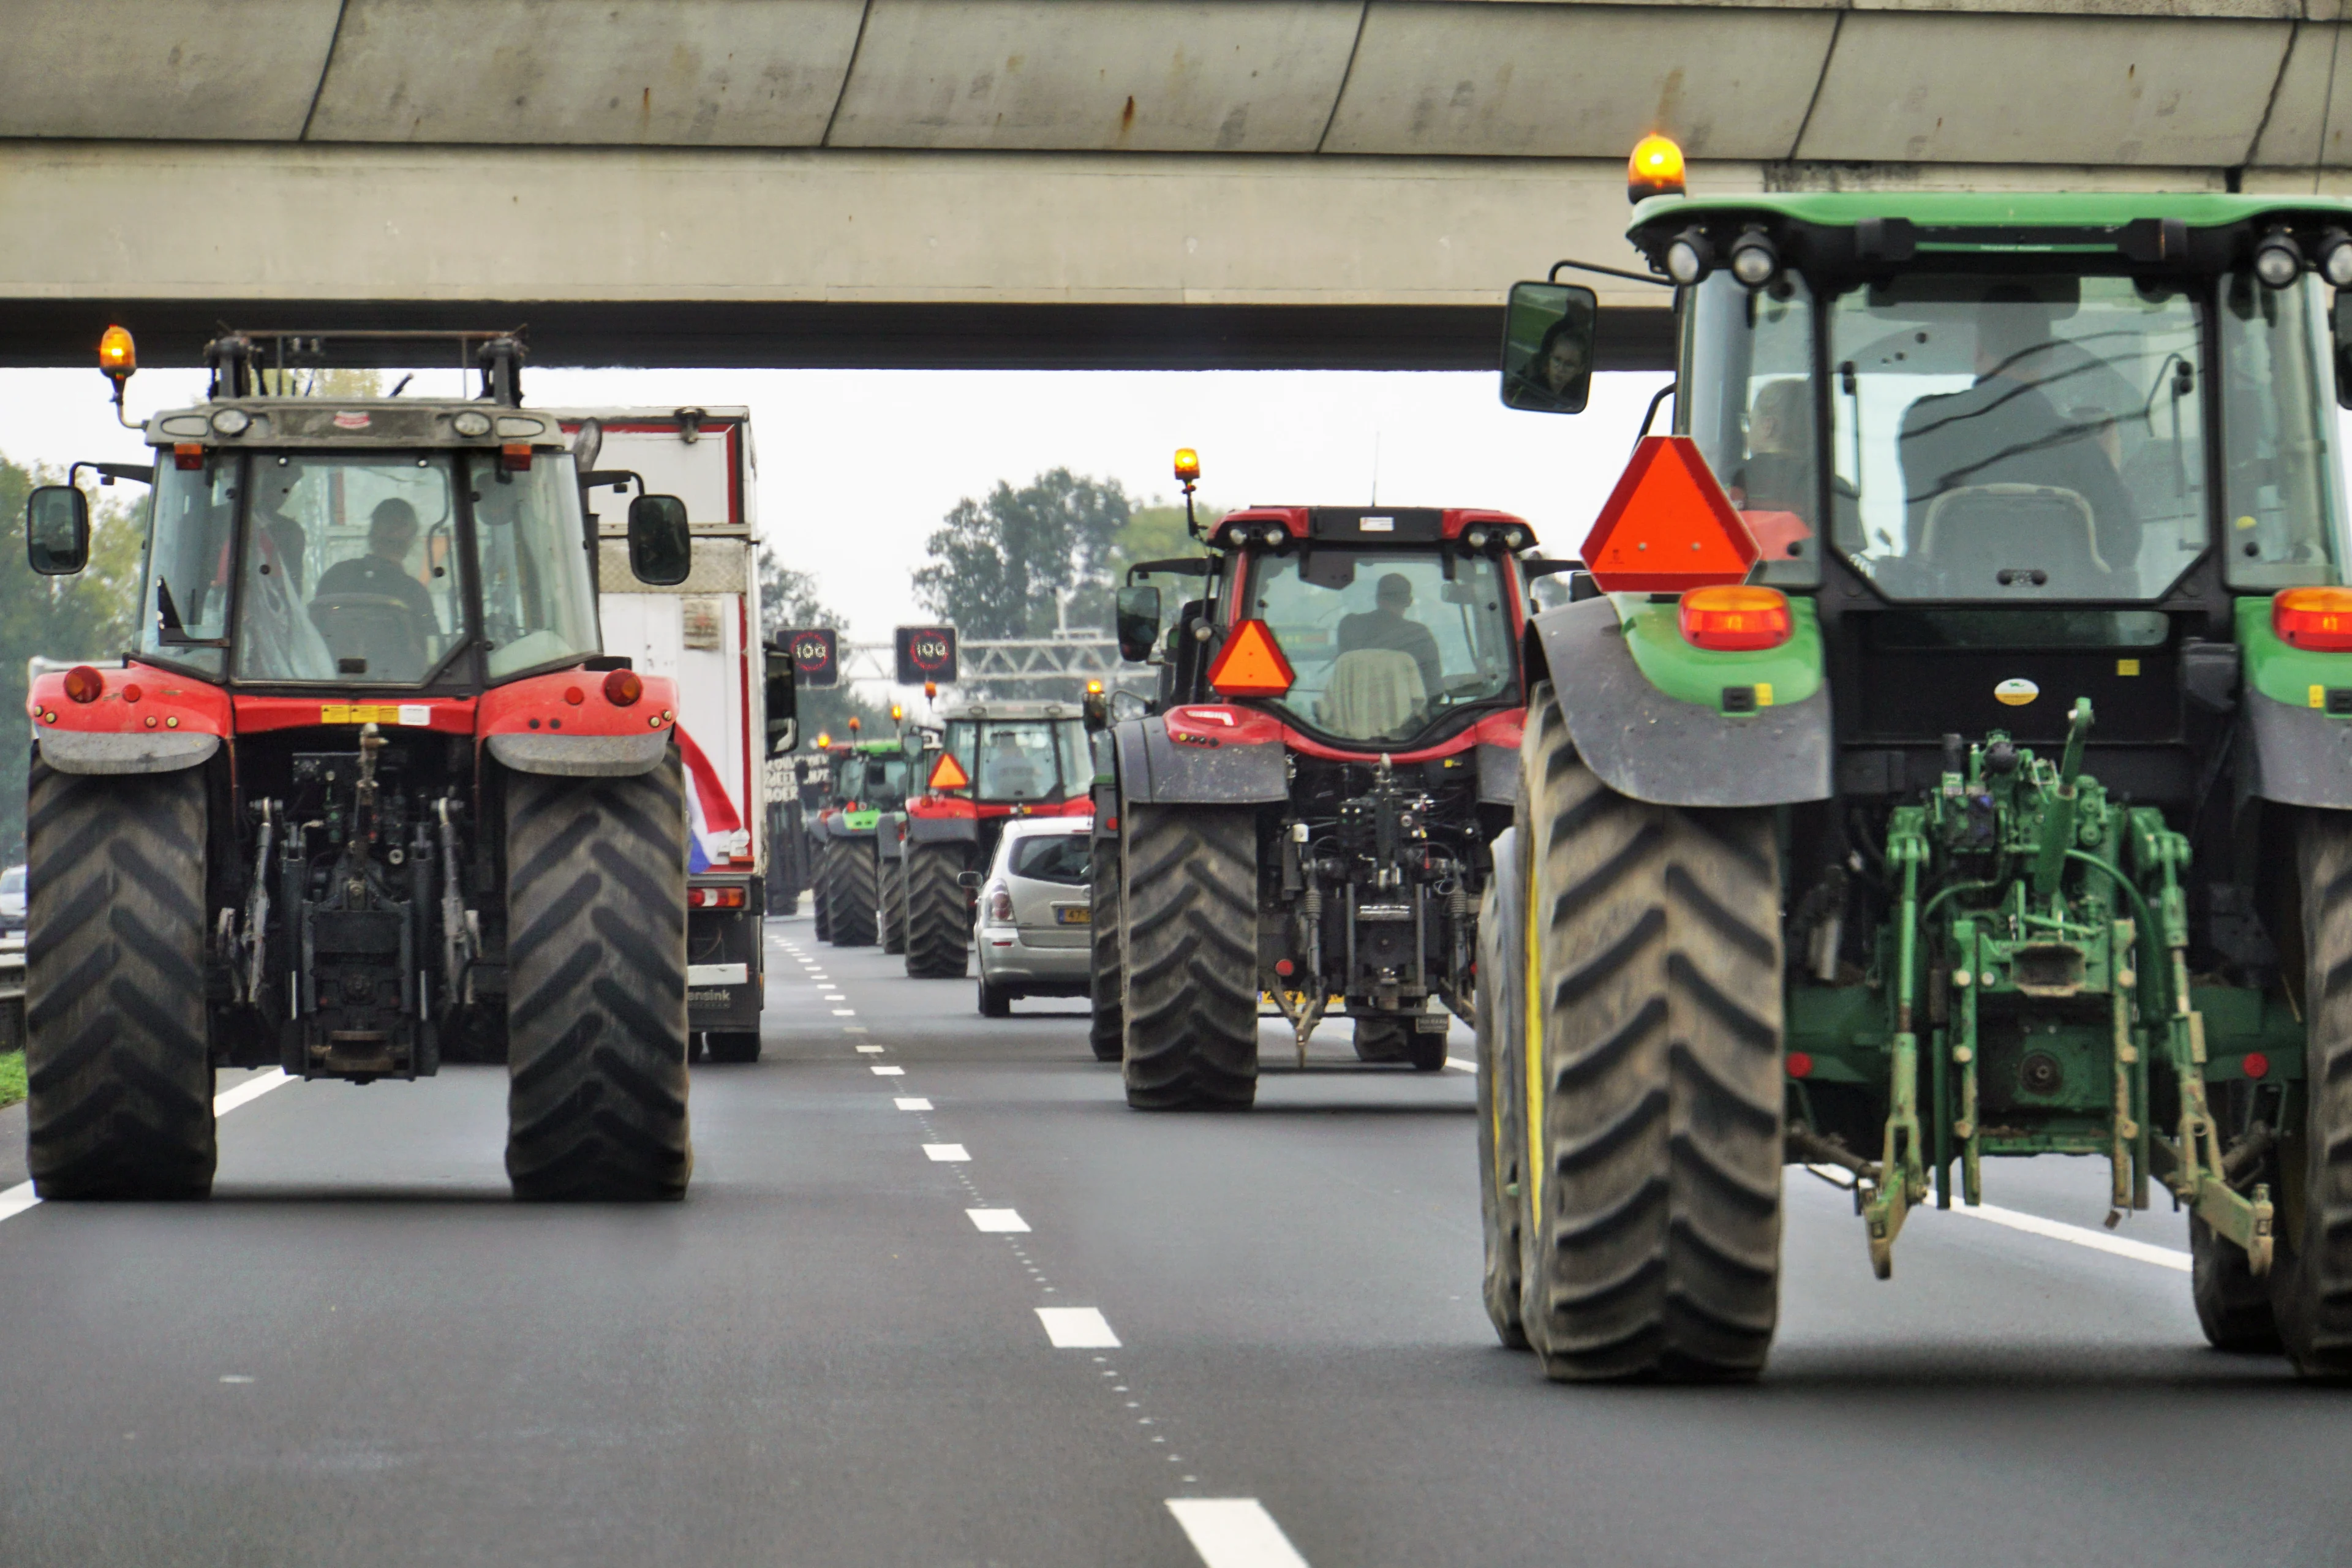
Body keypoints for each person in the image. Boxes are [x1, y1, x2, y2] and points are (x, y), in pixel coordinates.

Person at [1898, 290, 2138, 575]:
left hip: (1944, 614)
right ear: (2047, 356)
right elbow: (2121, 549)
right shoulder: (2078, 443)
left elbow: (1920, 533)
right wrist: (2106, 464)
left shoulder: (1924, 423)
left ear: (1978, 351)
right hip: (2061, 616)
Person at [311, 499, 440, 674]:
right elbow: (431, 656)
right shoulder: (413, 592)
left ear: (371, 535)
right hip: (398, 689)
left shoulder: (335, 576)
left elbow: (313, 637)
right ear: (410, 541)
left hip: (330, 682)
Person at [1335, 573, 1444, 701]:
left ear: (1377, 599)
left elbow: (1342, 678)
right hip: (1410, 719)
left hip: (1353, 717)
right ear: (1409, 602)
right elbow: (1435, 690)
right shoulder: (1419, 635)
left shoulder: (1349, 626)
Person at [1507, 315, 1590, 411]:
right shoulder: (1531, 390)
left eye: (1569, 364)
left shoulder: (1577, 396)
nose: (1561, 368)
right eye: (1557, 360)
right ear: (1550, 358)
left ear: (1581, 369)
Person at [981, 730, 1041, 798]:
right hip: (1031, 800)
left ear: (1000, 747)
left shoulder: (993, 766)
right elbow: (1039, 775)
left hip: (1001, 801)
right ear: (1015, 746)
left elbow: (993, 784)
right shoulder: (1027, 762)